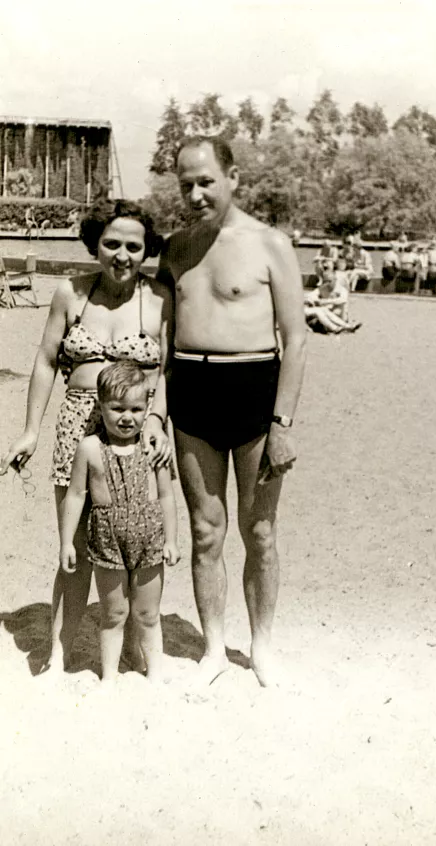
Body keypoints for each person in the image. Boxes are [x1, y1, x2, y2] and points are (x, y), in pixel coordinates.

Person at [156, 135, 307, 687]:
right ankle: (214, 649)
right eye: (186, 185)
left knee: (260, 530)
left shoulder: (271, 244)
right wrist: (155, 410)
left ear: (233, 178)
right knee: (205, 530)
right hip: (193, 390)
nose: (195, 194)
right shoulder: (175, 248)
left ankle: (262, 647)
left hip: (255, 390)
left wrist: (282, 424)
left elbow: (296, 340)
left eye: (206, 182)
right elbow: (159, 334)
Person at [0, 199, 172, 677]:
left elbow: (169, 372)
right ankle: (57, 654)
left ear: (146, 250)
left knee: (138, 540)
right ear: (95, 243)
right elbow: (45, 361)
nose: (122, 254)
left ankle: (139, 648)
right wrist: (31, 430)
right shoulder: (70, 293)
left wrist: (157, 420)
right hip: (76, 424)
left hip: (138, 432)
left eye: (133, 246)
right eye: (111, 243)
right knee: (74, 545)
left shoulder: (158, 299)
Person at [59, 362, 179, 684]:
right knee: (113, 614)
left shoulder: (154, 447)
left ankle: (154, 674)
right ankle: (109, 678)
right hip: (107, 541)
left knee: (147, 613)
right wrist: (67, 541)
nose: (127, 417)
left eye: (137, 409)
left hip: (149, 538)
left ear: (147, 409)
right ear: (101, 406)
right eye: (117, 408)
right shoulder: (90, 448)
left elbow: (167, 496)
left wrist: (171, 540)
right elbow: (75, 496)